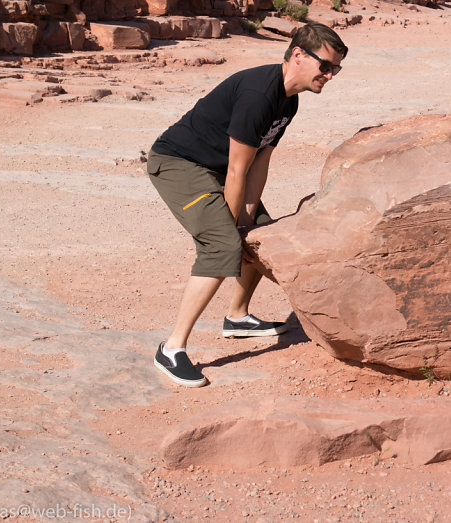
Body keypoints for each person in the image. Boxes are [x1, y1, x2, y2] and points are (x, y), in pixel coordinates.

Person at [147, 22, 349, 387]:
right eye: (326, 66)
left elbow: (260, 163)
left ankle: (237, 317)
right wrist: (236, 225)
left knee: (262, 235)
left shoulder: (289, 101)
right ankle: (172, 348)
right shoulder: (258, 94)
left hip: (219, 170)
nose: (331, 75)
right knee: (223, 243)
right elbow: (238, 170)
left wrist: (249, 219)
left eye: (336, 69)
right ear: (298, 56)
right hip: (179, 164)